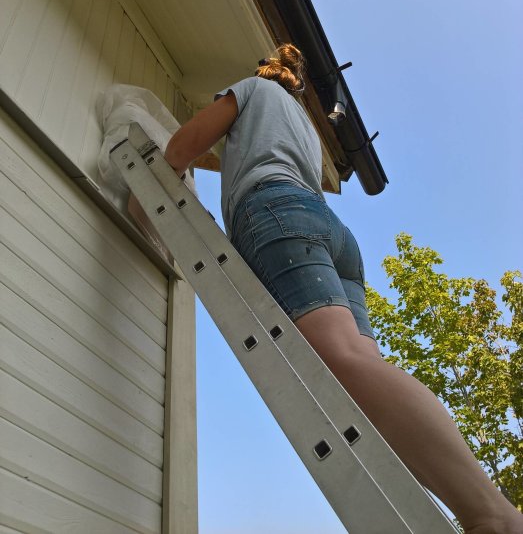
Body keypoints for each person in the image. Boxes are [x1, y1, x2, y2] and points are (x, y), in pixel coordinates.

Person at [160, 44, 522, 534]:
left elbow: (181, 147)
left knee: (342, 362)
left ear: (263, 74)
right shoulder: (306, 128)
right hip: (333, 235)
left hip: (276, 213)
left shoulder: (250, 92)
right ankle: (460, 512)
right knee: (362, 379)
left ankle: (493, 516)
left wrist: (164, 192)